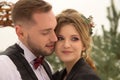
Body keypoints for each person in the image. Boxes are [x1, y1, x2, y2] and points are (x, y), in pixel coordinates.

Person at [0, 0, 57, 80]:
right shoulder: (4, 66)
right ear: (21, 33)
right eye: (45, 32)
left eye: (54, 29)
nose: (55, 38)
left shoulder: (47, 66)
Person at [53, 9, 101, 80]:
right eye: (60, 38)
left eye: (74, 39)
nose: (66, 45)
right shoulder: (58, 76)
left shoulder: (87, 77)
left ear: (84, 45)